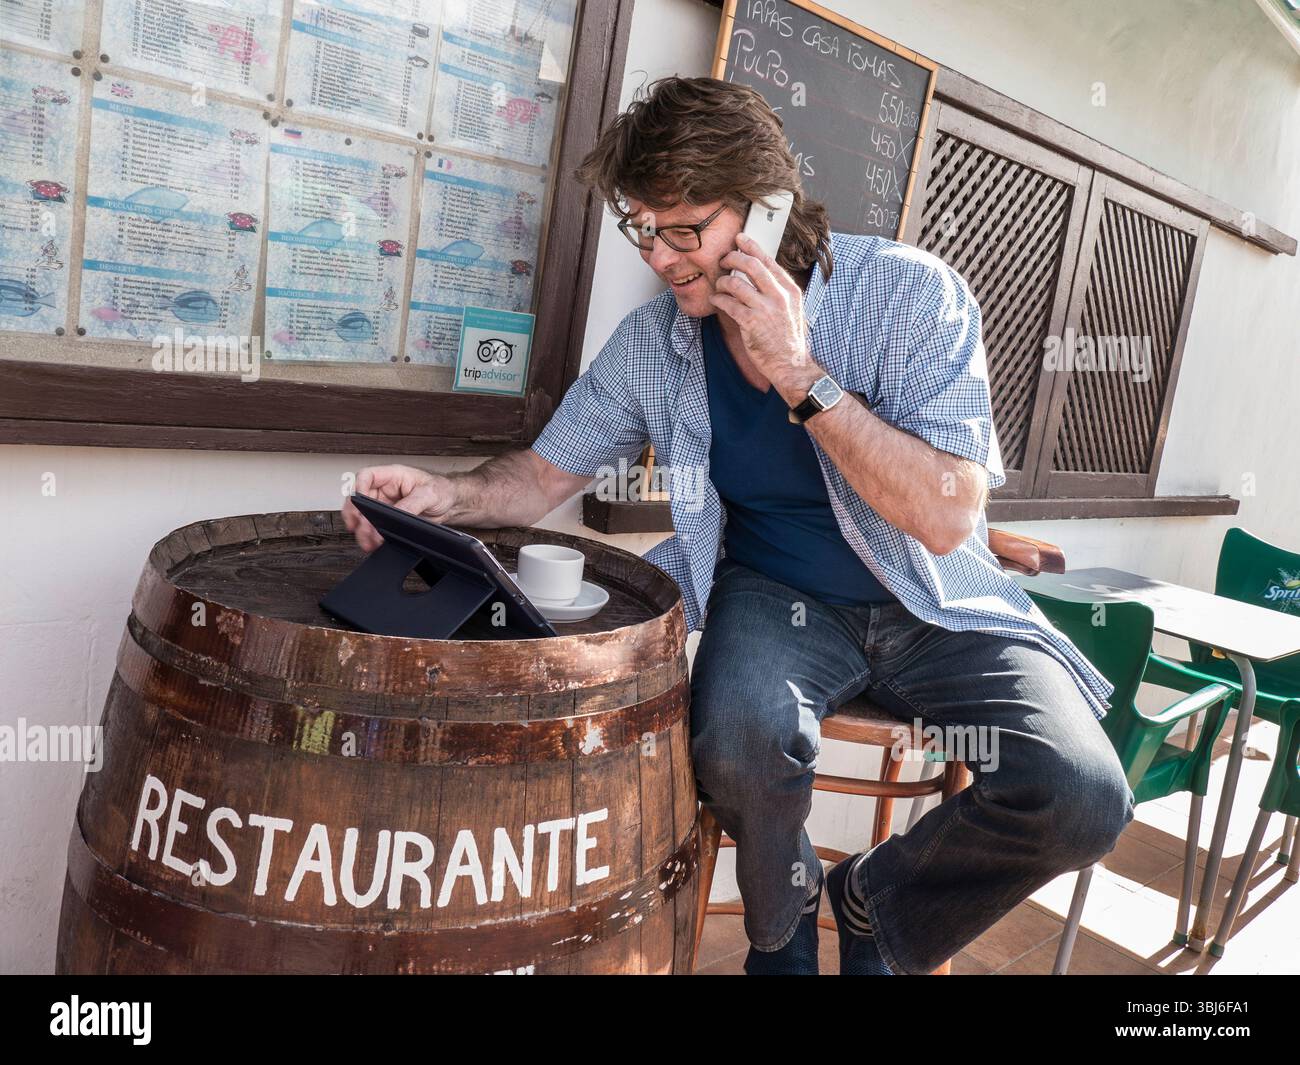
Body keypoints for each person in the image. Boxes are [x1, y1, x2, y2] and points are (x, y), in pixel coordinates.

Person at [343, 76, 1135, 975]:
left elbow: (949, 517)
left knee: (1080, 796)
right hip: (775, 595)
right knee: (737, 737)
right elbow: (536, 478)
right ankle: (781, 926)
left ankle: (877, 901)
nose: (665, 257)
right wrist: (444, 498)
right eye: (645, 228)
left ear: (767, 212)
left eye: (689, 228)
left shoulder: (913, 297)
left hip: (931, 596)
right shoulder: (655, 343)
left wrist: (802, 375)